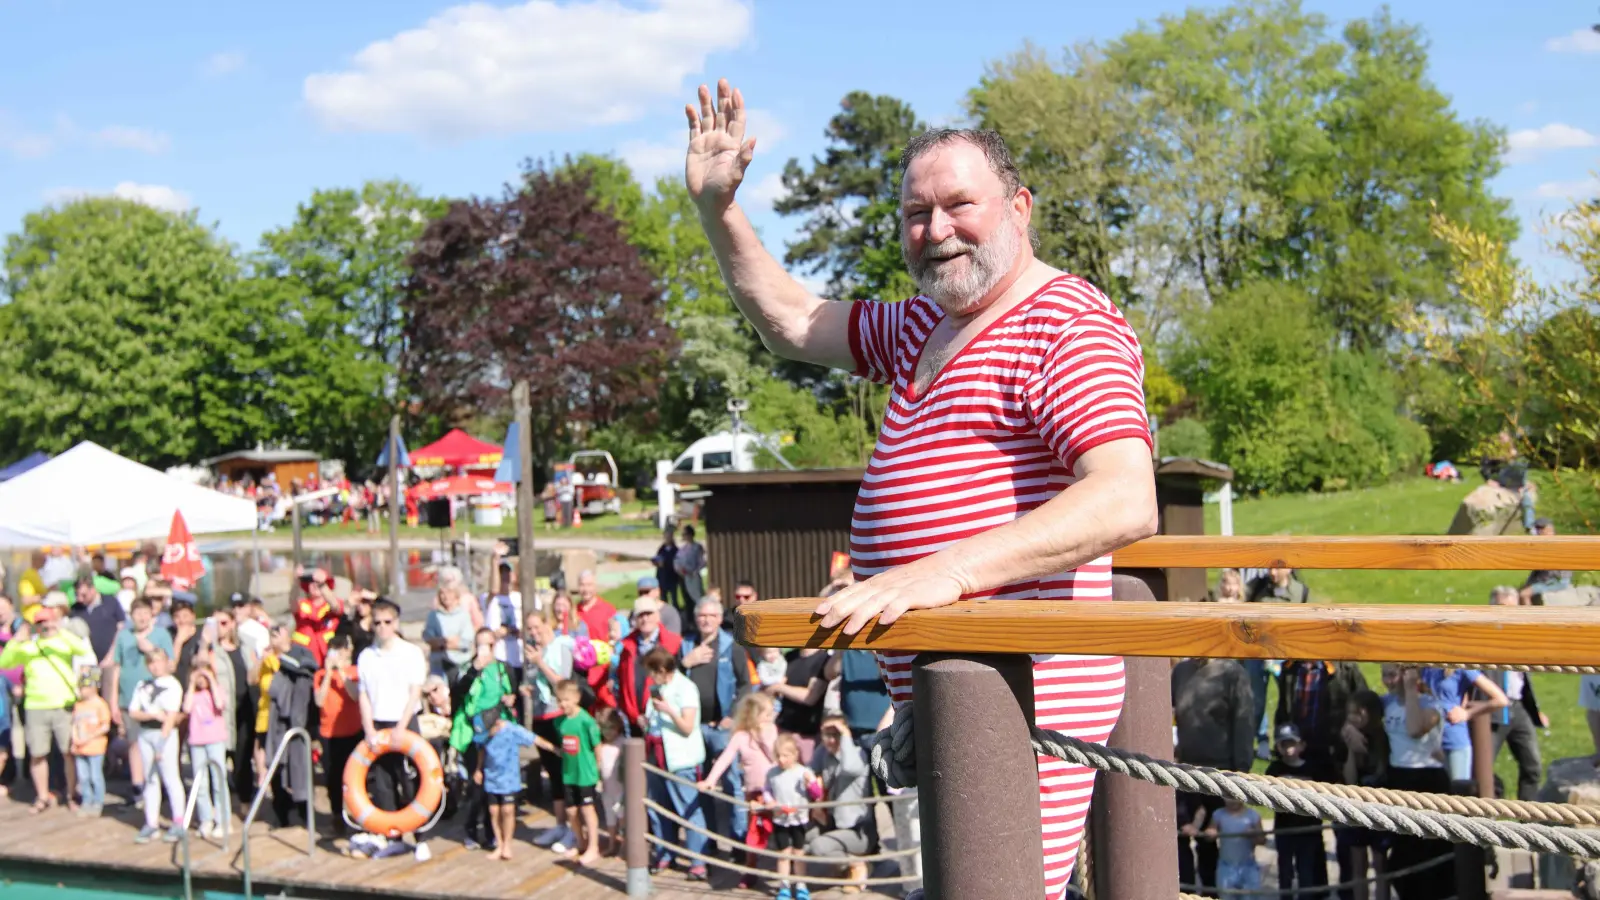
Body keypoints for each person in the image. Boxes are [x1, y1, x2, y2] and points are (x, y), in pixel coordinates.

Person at [683, 78, 1158, 897]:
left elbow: (1125, 497)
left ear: (1019, 207)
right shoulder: (922, 329)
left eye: (958, 205)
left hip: (1024, 692)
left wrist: (946, 571)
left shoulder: (1064, 322)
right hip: (952, 689)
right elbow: (792, 321)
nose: (935, 230)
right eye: (915, 213)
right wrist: (718, 209)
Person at [1171, 655, 1256, 892]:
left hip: (1220, 772)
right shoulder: (1181, 671)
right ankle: (1185, 893)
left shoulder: (1233, 673)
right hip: (1185, 771)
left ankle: (1215, 894)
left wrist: (1241, 773)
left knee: (1213, 842)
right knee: (1181, 836)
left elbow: (1244, 723)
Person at [0, 591, 90, 812]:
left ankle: (71, 794)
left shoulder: (64, 641)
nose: (44, 626)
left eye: (47, 621)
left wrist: (59, 631)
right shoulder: (29, 646)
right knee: (38, 754)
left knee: (68, 752)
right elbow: (5, 662)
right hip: (36, 705)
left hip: (63, 704)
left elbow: (83, 649)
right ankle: (42, 796)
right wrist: (14, 642)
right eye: (40, 623)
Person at [1381, 665, 1455, 899]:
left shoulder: (1431, 705)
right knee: (1402, 856)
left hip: (1427, 780)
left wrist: (1411, 689)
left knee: (1430, 851)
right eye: (1384, 675)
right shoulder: (1386, 703)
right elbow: (1360, 714)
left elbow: (1414, 729)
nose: (1388, 681)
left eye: (1393, 675)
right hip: (1398, 778)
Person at [681, 596, 751, 842]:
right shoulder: (686, 645)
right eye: (702, 615)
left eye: (711, 615)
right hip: (694, 727)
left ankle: (739, 842)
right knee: (701, 784)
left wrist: (733, 716)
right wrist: (684, 663)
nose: (706, 620)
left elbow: (745, 685)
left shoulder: (731, 645)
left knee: (731, 783)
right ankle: (707, 839)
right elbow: (672, 680)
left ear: (720, 619)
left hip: (723, 728)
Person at [356, 598, 428, 835]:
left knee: (410, 782)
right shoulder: (366, 656)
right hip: (378, 722)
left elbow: (415, 692)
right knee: (383, 783)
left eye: (387, 622)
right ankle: (391, 836)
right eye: (377, 623)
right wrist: (369, 730)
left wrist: (401, 727)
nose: (382, 627)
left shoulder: (410, 652)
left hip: (404, 721)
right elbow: (364, 696)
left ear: (396, 622)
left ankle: (420, 837)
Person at [642, 646, 708, 880]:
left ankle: (698, 861)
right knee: (658, 808)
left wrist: (669, 710)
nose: (649, 677)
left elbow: (688, 727)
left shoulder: (686, 688)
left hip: (681, 758)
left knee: (688, 809)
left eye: (652, 672)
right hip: (656, 756)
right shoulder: (659, 687)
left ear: (662, 670)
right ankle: (664, 852)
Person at [699, 692, 778, 882]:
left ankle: (786, 868)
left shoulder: (771, 730)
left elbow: (774, 755)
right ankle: (750, 870)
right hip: (753, 791)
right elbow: (725, 759)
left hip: (774, 789)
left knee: (779, 831)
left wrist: (762, 735)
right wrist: (710, 780)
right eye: (766, 714)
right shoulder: (740, 737)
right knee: (752, 832)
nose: (770, 717)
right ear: (754, 715)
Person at [452, 627, 513, 851]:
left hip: (495, 730)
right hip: (472, 732)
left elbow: (511, 692)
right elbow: (457, 692)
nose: (484, 650)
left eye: (488, 645)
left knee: (493, 783)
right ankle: (470, 828)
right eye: (480, 645)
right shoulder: (468, 668)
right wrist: (473, 671)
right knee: (476, 783)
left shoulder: (502, 668)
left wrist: (512, 697)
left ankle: (491, 832)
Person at [108, 596, 173, 803]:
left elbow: (170, 664)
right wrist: (113, 700)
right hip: (128, 698)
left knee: (156, 741)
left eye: (145, 612)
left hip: (156, 701)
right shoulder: (123, 636)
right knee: (133, 743)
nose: (142, 617)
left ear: (152, 614)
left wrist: (149, 649)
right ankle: (138, 787)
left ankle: (160, 785)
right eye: (137, 613)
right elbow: (116, 668)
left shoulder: (161, 634)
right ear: (131, 615)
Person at [804, 714, 872, 890]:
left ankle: (857, 865)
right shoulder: (825, 755)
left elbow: (849, 768)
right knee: (806, 835)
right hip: (833, 823)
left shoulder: (858, 755)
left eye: (835, 735)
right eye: (827, 734)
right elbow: (809, 770)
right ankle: (843, 868)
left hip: (857, 831)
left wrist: (845, 735)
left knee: (819, 846)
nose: (830, 740)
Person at [1265, 724, 1333, 898]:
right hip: (1284, 829)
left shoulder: (1313, 769)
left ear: (1302, 745)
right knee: (1285, 871)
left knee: (1306, 871)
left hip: (1308, 830)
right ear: (1278, 747)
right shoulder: (1274, 770)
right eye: (1283, 745)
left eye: (1292, 744)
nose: (1288, 749)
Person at [129, 646, 186, 844]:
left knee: (171, 777)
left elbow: (170, 716)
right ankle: (151, 822)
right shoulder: (142, 685)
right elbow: (133, 712)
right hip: (146, 732)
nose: (155, 666)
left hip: (164, 734)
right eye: (151, 662)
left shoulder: (172, 685)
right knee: (150, 778)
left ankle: (179, 820)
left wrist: (162, 742)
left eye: (158, 661)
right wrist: (152, 714)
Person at [1417, 666, 1507, 785]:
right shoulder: (1423, 667)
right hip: (1426, 742)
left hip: (1453, 741)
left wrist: (1467, 713)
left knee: (1458, 793)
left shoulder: (1460, 668)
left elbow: (1500, 700)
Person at [759, 732, 820, 900]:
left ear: (795, 754)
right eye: (778, 755)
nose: (781, 759)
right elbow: (766, 791)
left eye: (785, 755)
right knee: (783, 853)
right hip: (780, 819)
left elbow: (817, 794)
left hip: (799, 819)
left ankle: (801, 885)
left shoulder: (803, 772)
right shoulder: (772, 773)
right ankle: (784, 886)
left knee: (799, 853)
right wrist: (770, 802)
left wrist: (812, 784)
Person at [551, 679, 603, 866]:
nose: (562, 704)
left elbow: (597, 747)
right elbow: (564, 746)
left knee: (587, 810)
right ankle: (580, 842)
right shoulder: (559, 722)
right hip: (569, 773)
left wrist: (598, 771)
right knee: (571, 811)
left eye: (566, 700)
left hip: (586, 774)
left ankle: (593, 847)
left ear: (576, 698)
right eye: (559, 700)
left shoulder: (587, 721)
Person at [315, 635, 363, 835]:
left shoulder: (354, 672)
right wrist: (328, 673)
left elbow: (355, 695)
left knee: (355, 776)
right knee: (333, 777)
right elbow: (319, 700)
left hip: (352, 731)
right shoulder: (319, 675)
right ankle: (337, 815)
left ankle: (359, 814)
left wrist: (341, 672)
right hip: (330, 733)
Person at [618, 596, 683, 737]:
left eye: (649, 614)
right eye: (641, 615)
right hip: (636, 721)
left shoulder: (674, 643)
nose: (645, 619)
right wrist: (634, 716)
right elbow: (624, 685)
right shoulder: (626, 646)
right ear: (635, 620)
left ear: (658, 616)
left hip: (665, 718)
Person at [478, 704, 537, 860]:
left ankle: (507, 844)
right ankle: (499, 843)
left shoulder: (511, 730)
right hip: (491, 777)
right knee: (493, 812)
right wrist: (478, 769)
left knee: (508, 811)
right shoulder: (484, 733)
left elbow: (533, 739)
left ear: (497, 724)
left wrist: (555, 749)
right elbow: (482, 750)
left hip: (509, 778)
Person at [185, 644, 230, 839]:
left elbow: (220, 704)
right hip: (197, 741)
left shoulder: (217, 690)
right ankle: (206, 818)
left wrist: (211, 682)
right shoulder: (192, 695)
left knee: (218, 781)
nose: (201, 680)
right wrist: (191, 684)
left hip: (215, 740)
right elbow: (186, 709)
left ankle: (223, 820)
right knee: (200, 782)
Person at [70, 668, 111, 817]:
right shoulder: (79, 706)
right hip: (81, 748)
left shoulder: (100, 705)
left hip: (95, 747)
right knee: (83, 777)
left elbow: (105, 726)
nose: (81, 690)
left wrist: (90, 737)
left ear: (93, 687)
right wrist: (75, 740)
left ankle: (98, 802)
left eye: (84, 687)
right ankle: (87, 801)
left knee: (95, 776)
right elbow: (74, 724)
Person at [1207, 797, 1265, 895]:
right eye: (1229, 797)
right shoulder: (1218, 814)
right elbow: (1208, 836)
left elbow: (1262, 840)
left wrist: (1254, 834)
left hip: (1248, 866)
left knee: (1251, 897)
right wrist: (1210, 833)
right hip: (1226, 866)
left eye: (1235, 797)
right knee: (1226, 896)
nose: (1232, 800)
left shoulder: (1253, 815)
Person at [424, 571, 476, 680]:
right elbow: (429, 637)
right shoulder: (434, 615)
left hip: (460, 663)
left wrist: (444, 643)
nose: (445, 597)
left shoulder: (463, 615)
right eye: (442, 593)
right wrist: (448, 642)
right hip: (439, 665)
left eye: (449, 593)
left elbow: (466, 641)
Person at [596, 707, 625, 856]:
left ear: (618, 727)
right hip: (606, 789)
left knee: (622, 817)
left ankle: (623, 846)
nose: (608, 732)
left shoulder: (623, 743)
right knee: (610, 818)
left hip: (620, 789)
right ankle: (612, 843)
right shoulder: (600, 745)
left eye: (611, 728)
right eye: (604, 728)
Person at [674, 525, 706, 605]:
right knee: (688, 598)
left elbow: (702, 561)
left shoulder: (697, 547)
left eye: (685, 534)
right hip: (685, 576)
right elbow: (677, 561)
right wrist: (679, 569)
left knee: (698, 597)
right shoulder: (682, 549)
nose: (683, 536)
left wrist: (694, 572)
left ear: (690, 534)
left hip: (694, 576)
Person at [652, 528, 682, 614]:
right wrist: (657, 563)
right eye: (665, 537)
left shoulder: (675, 550)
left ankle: (676, 614)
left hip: (672, 577)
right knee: (663, 598)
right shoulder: (661, 549)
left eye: (668, 537)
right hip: (662, 577)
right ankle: (665, 614)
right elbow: (657, 558)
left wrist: (666, 563)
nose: (667, 539)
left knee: (674, 599)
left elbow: (676, 562)